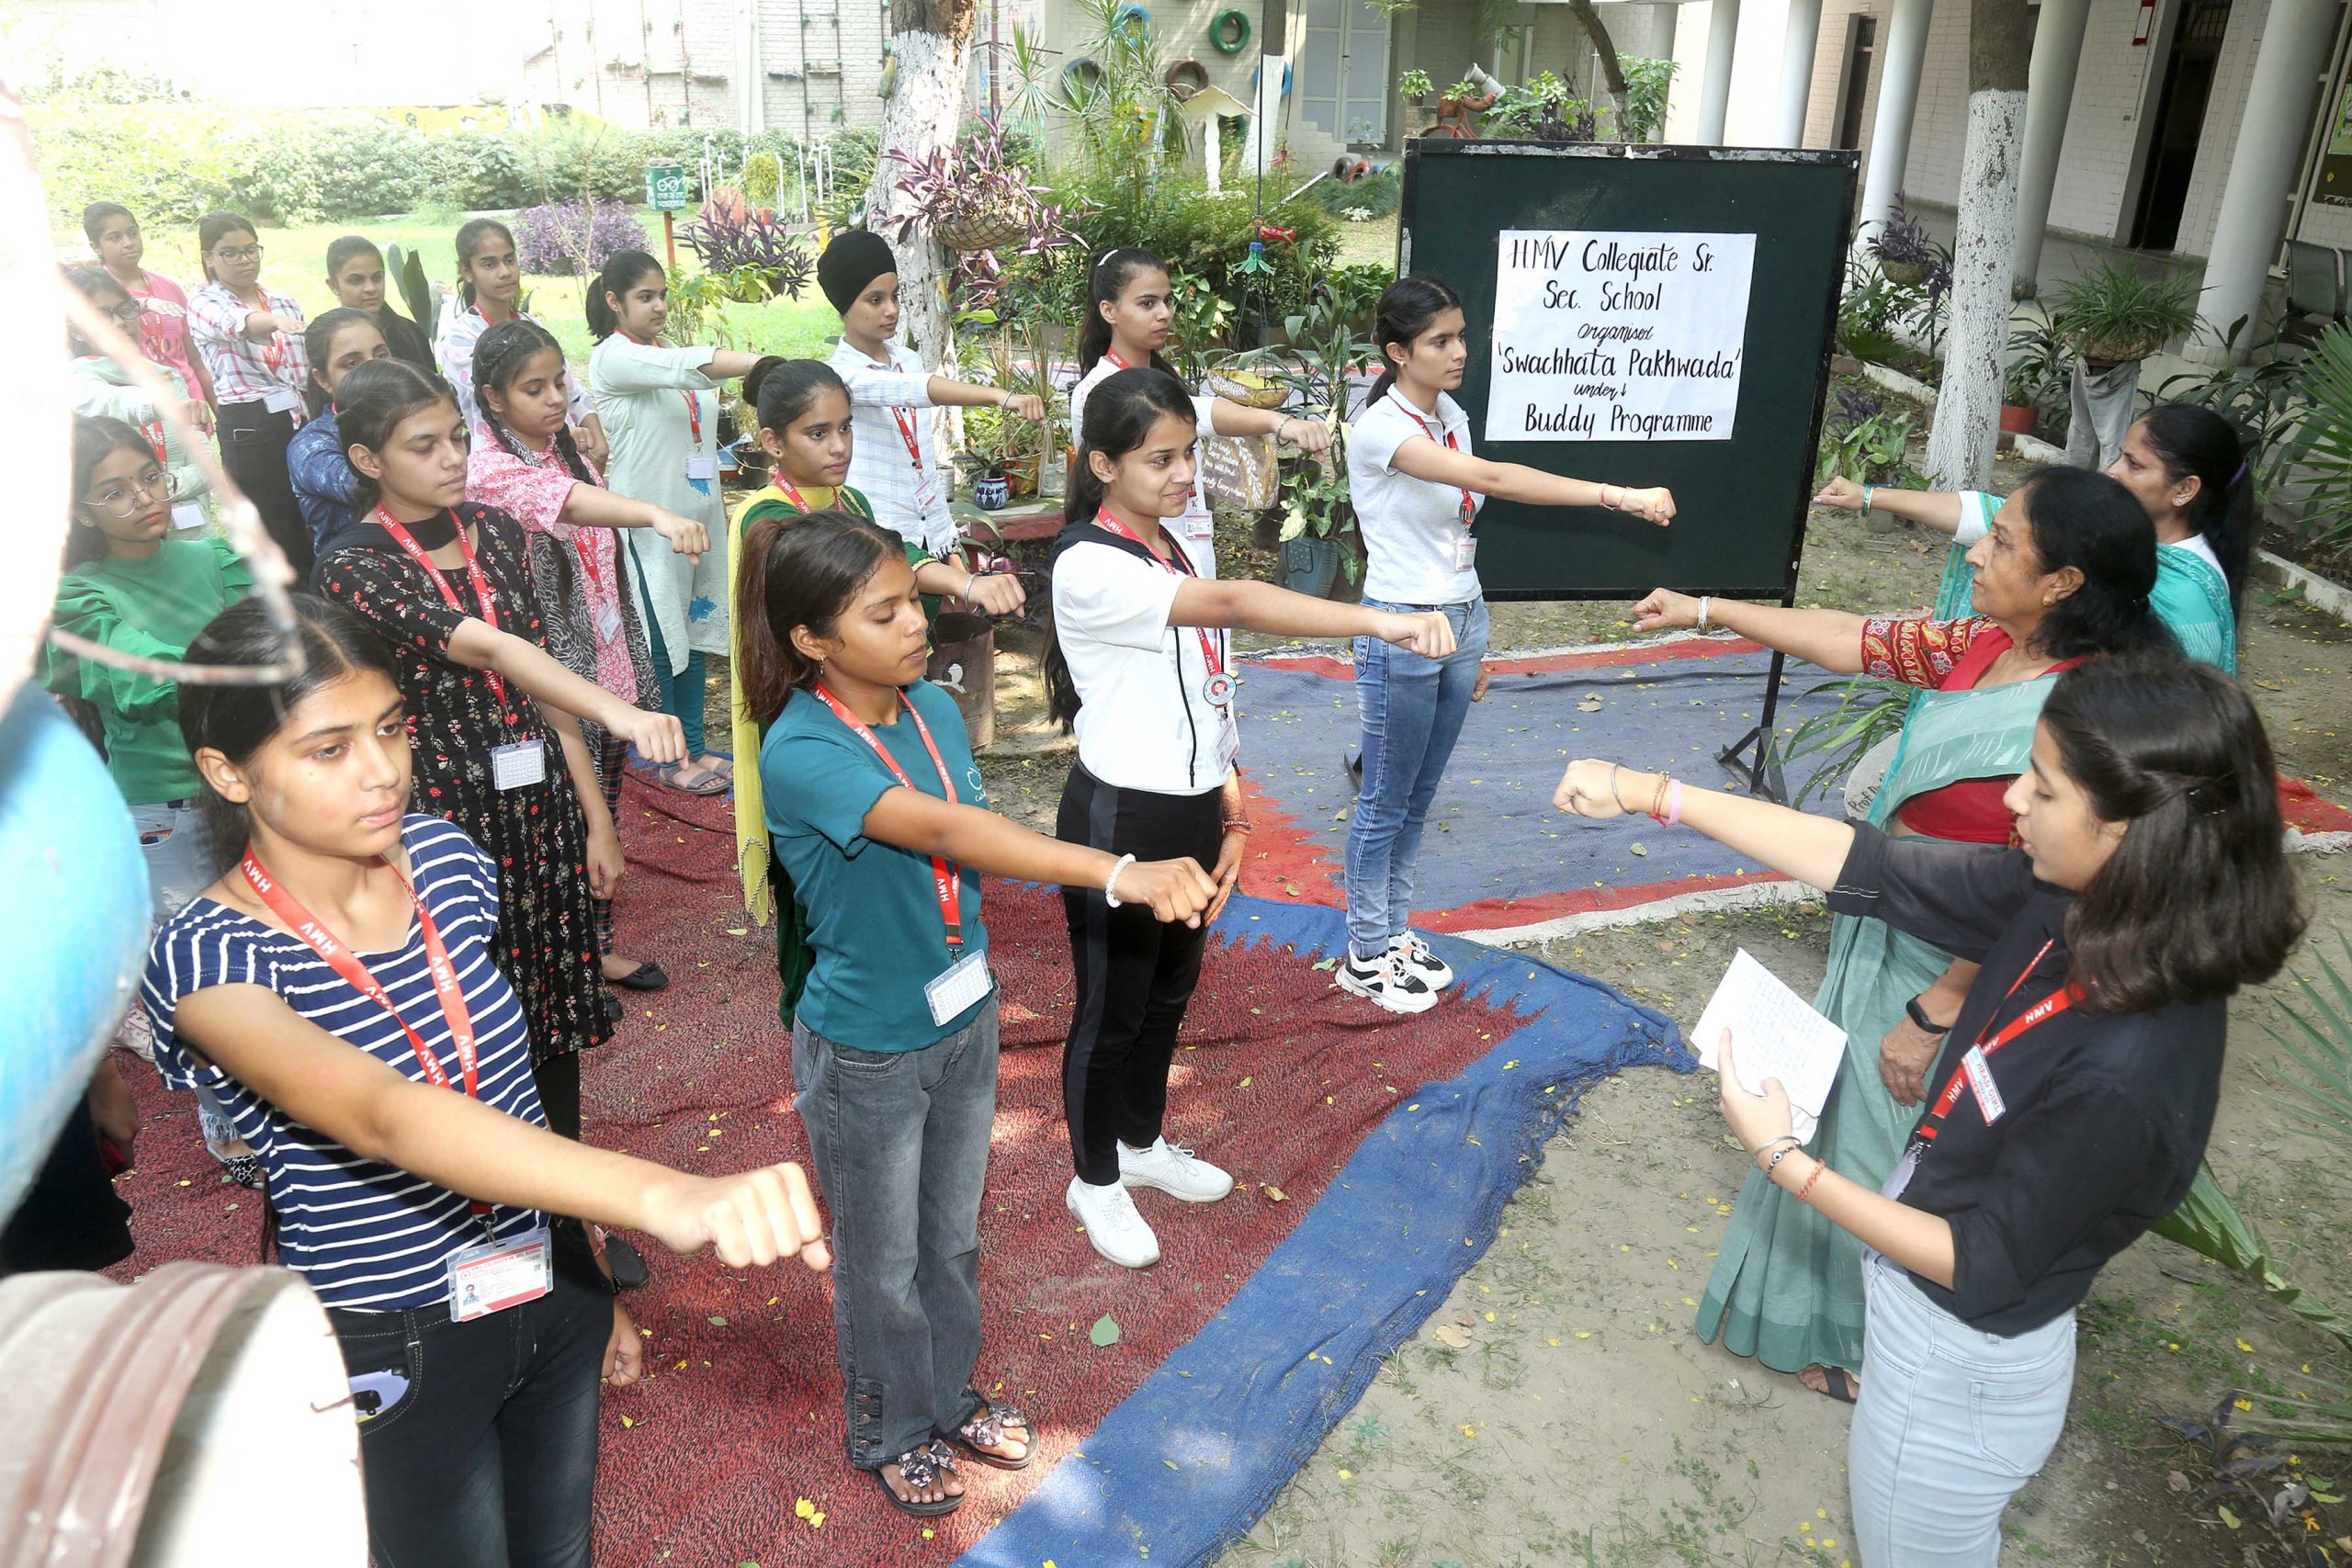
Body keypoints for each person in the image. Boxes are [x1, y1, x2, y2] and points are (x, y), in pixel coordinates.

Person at [1553, 653, 2303, 1564]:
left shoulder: (2127, 1073)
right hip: (1929, 1309)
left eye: (2045, 786)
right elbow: (1869, 866)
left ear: (2127, 829)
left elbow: (1979, 1262)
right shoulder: (2083, 903)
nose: (2012, 801)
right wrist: (1650, 792)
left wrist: (1783, 1157)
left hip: (1956, 1369)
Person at [146, 592, 830, 1566]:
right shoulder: (214, 955)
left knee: (558, 1551)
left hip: (541, 1283)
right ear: (227, 771)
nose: (384, 771)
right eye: (328, 749)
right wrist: (663, 1192)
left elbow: (499, 1091)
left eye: (391, 728)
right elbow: (387, 1114)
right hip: (396, 1333)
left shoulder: (445, 860)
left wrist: (587, 1269)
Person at [1633, 464, 2174, 1404]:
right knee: (1848, 1122)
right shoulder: (1984, 643)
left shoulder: (2082, 715)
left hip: (1955, 962)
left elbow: (2035, 891)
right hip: (1892, 920)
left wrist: (1940, 1007)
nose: (1976, 548)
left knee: (1904, 1140)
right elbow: (1854, 639)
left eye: (2002, 541)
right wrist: (1706, 606)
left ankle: (1884, 1352)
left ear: (2064, 583)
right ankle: (1831, 1318)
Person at [737, 507, 1217, 1514]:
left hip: (966, 1019)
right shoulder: (802, 749)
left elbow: (958, 843)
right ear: (812, 640)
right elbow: (952, 827)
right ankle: (890, 1429)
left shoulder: (936, 713)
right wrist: (1119, 871)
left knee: (951, 1239)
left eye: (911, 599)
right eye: (883, 614)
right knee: (881, 1263)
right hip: (868, 1046)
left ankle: (944, 1396)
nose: (915, 623)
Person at [1046, 367, 1459, 1269]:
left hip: (1193, 810)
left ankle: (1141, 1144)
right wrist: (1381, 623)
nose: (1184, 473)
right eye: (1161, 459)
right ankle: (1093, 1179)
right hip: (1123, 816)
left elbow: (1209, 689)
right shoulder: (1086, 561)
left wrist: (1232, 811)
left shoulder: (1169, 549)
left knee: (1167, 996)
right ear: (1102, 465)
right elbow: (1234, 608)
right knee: (1109, 1012)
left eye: (1191, 453)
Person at [315, 357, 685, 1145]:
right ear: (367, 461)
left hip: (541, 814)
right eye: (423, 446)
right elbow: (483, 645)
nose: (452, 458)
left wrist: (597, 818)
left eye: (455, 437)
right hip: (440, 824)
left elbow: (542, 674)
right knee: (463, 1028)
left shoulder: (505, 532)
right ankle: (495, 1230)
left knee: (551, 1021)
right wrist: (617, 709)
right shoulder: (354, 563)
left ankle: (567, 1230)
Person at [1340, 276, 1673, 1014]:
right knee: (1385, 798)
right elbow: (1491, 479)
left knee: (1419, 796)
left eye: (1461, 335)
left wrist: (1474, 642)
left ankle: (1393, 934)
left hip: (1462, 617)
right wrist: (1616, 494)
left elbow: (1459, 521)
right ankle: (1365, 952)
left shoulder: (1448, 412)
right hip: (1403, 625)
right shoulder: (1382, 429)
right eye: (1440, 341)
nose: (1460, 351)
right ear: (1397, 353)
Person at [728, 356, 1030, 953]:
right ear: (772, 442)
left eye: (845, 427)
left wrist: (960, 582)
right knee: (816, 877)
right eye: (818, 432)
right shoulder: (765, 516)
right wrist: (961, 583)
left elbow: (894, 557)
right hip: (807, 702)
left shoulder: (851, 498)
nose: (839, 445)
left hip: (857, 694)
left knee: (884, 842)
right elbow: (845, 577)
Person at [470, 315, 710, 998]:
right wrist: (658, 515)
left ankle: (593, 947)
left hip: (604, 651)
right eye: (532, 388)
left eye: (559, 382)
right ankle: (557, 956)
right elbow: (569, 506)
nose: (553, 398)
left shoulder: (561, 445)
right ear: (493, 398)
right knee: (558, 811)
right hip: (546, 668)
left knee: (602, 797)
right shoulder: (493, 468)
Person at [41, 415, 254, 1180]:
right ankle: (229, 1120)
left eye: (149, 478)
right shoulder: (74, 595)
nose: (142, 498)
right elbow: (137, 672)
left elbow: (263, 638)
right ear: (78, 511)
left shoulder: (215, 558)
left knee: (277, 949)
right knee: (204, 973)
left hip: (252, 785)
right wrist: (235, 668)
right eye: (113, 490)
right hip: (166, 808)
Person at [1813, 403, 2251, 671]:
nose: (2113, 471)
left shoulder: (2186, 597)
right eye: (2119, 456)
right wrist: (1868, 495)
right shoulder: (2120, 532)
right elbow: (1987, 512)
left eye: (2134, 465)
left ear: (2185, 489)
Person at [586, 249, 763, 795]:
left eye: (662, 294)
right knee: (663, 634)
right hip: (648, 525)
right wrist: (762, 364)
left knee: (693, 630)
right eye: (645, 297)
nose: (659, 305)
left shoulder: (666, 351)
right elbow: (682, 366)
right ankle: (671, 757)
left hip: (698, 519)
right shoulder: (615, 358)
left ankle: (694, 743)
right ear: (614, 303)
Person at [1068, 247, 1330, 574]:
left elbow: (1203, 413)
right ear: (1109, 311)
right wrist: (1278, 423)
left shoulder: (1164, 381)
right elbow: (1202, 412)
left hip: (1190, 550)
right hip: (1137, 561)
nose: (1164, 313)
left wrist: (1280, 423)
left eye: (1167, 301)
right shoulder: (1095, 392)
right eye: (1147, 303)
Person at [816, 230, 1046, 560]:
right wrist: (1000, 397)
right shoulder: (838, 375)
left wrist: (947, 538)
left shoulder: (906, 360)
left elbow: (921, 461)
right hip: (876, 537)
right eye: (875, 300)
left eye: (895, 296)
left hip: (929, 532)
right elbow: (914, 390)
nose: (891, 310)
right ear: (845, 306)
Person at [187, 209, 312, 575]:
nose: (244, 260)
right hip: (250, 425)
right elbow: (237, 324)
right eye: (230, 252)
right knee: (269, 520)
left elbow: (302, 364)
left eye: (251, 249)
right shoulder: (204, 302)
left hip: (297, 415)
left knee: (302, 511)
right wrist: (272, 322)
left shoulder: (284, 301)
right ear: (208, 258)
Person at [433, 218, 608, 469]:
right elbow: (506, 406)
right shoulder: (460, 340)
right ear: (467, 272)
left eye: (509, 260)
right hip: (508, 463)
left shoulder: (533, 326)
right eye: (489, 264)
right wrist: (569, 430)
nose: (504, 272)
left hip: (564, 455)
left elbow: (569, 387)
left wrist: (596, 436)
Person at [64, 265, 211, 536]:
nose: (120, 323)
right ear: (77, 331)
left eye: (125, 310)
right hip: (124, 537)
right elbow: (112, 401)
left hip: (192, 530)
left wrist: (154, 488)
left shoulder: (166, 376)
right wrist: (163, 405)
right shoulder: (77, 381)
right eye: (101, 317)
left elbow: (207, 466)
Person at [83, 201, 213, 409]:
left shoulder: (170, 288)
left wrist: (217, 409)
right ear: (96, 247)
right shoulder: (96, 297)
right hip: (141, 407)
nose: (128, 243)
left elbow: (195, 359)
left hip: (191, 402)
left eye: (132, 233)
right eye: (115, 238)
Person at [288, 307, 391, 562]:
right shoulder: (311, 446)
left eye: (380, 356)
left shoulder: (412, 419)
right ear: (323, 379)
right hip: (358, 576)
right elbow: (369, 487)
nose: (372, 371)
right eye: (352, 364)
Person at [324, 234, 436, 369]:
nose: (371, 288)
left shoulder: (409, 334)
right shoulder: (327, 340)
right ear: (333, 285)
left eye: (377, 278)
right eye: (356, 280)